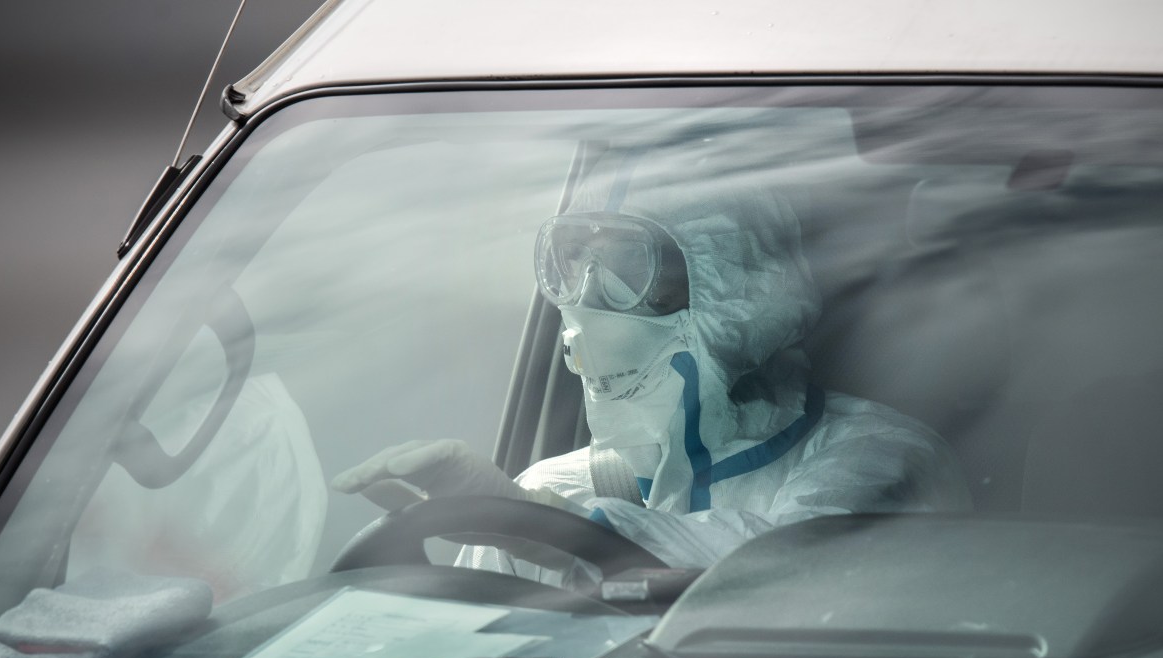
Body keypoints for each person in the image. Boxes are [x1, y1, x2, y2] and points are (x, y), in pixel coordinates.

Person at [332, 151, 972, 572]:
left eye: (626, 268)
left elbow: (782, 578)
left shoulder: (882, 461)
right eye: (572, 266)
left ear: (737, 293)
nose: (582, 312)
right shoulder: (556, 488)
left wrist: (543, 529)